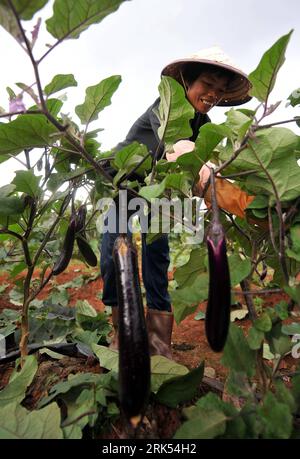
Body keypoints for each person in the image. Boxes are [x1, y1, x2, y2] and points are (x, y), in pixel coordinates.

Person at [100, 46, 255, 359]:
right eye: (207, 84)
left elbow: (201, 164)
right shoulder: (166, 110)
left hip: (160, 192)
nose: (213, 94)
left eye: (220, 90)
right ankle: (121, 332)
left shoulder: (204, 124)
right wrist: (222, 190)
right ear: (187, 82)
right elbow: (179, 150)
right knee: (114, 254)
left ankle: (158, 341)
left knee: (157, 256)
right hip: (124, 187)